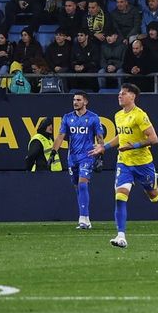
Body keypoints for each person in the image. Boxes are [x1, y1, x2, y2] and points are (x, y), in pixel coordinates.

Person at [90, 82, 158, 247]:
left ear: (132, 96)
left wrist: (133, 145)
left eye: (123, 93)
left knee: (154, 197)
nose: (119, 95)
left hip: (143, 163)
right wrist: (103, 147)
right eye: (119, 93)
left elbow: (153, 139)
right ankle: (121, 236)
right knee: (120, 197)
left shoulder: (140, 115)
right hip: (124, 162)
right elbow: (121, 136)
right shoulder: (118, 115)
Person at [51, 91, 105, 229]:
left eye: (78, 100)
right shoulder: (67, 117)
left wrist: (100, 155)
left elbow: (99, 138)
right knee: (77, 187)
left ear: (85, 102)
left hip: (87, 155)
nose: (75, 102)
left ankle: (82, 218)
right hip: (72, 157)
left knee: (82, 184)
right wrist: (53, 152)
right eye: (74, 100)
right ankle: (86, 219)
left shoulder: (93, 118)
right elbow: (60, 136)